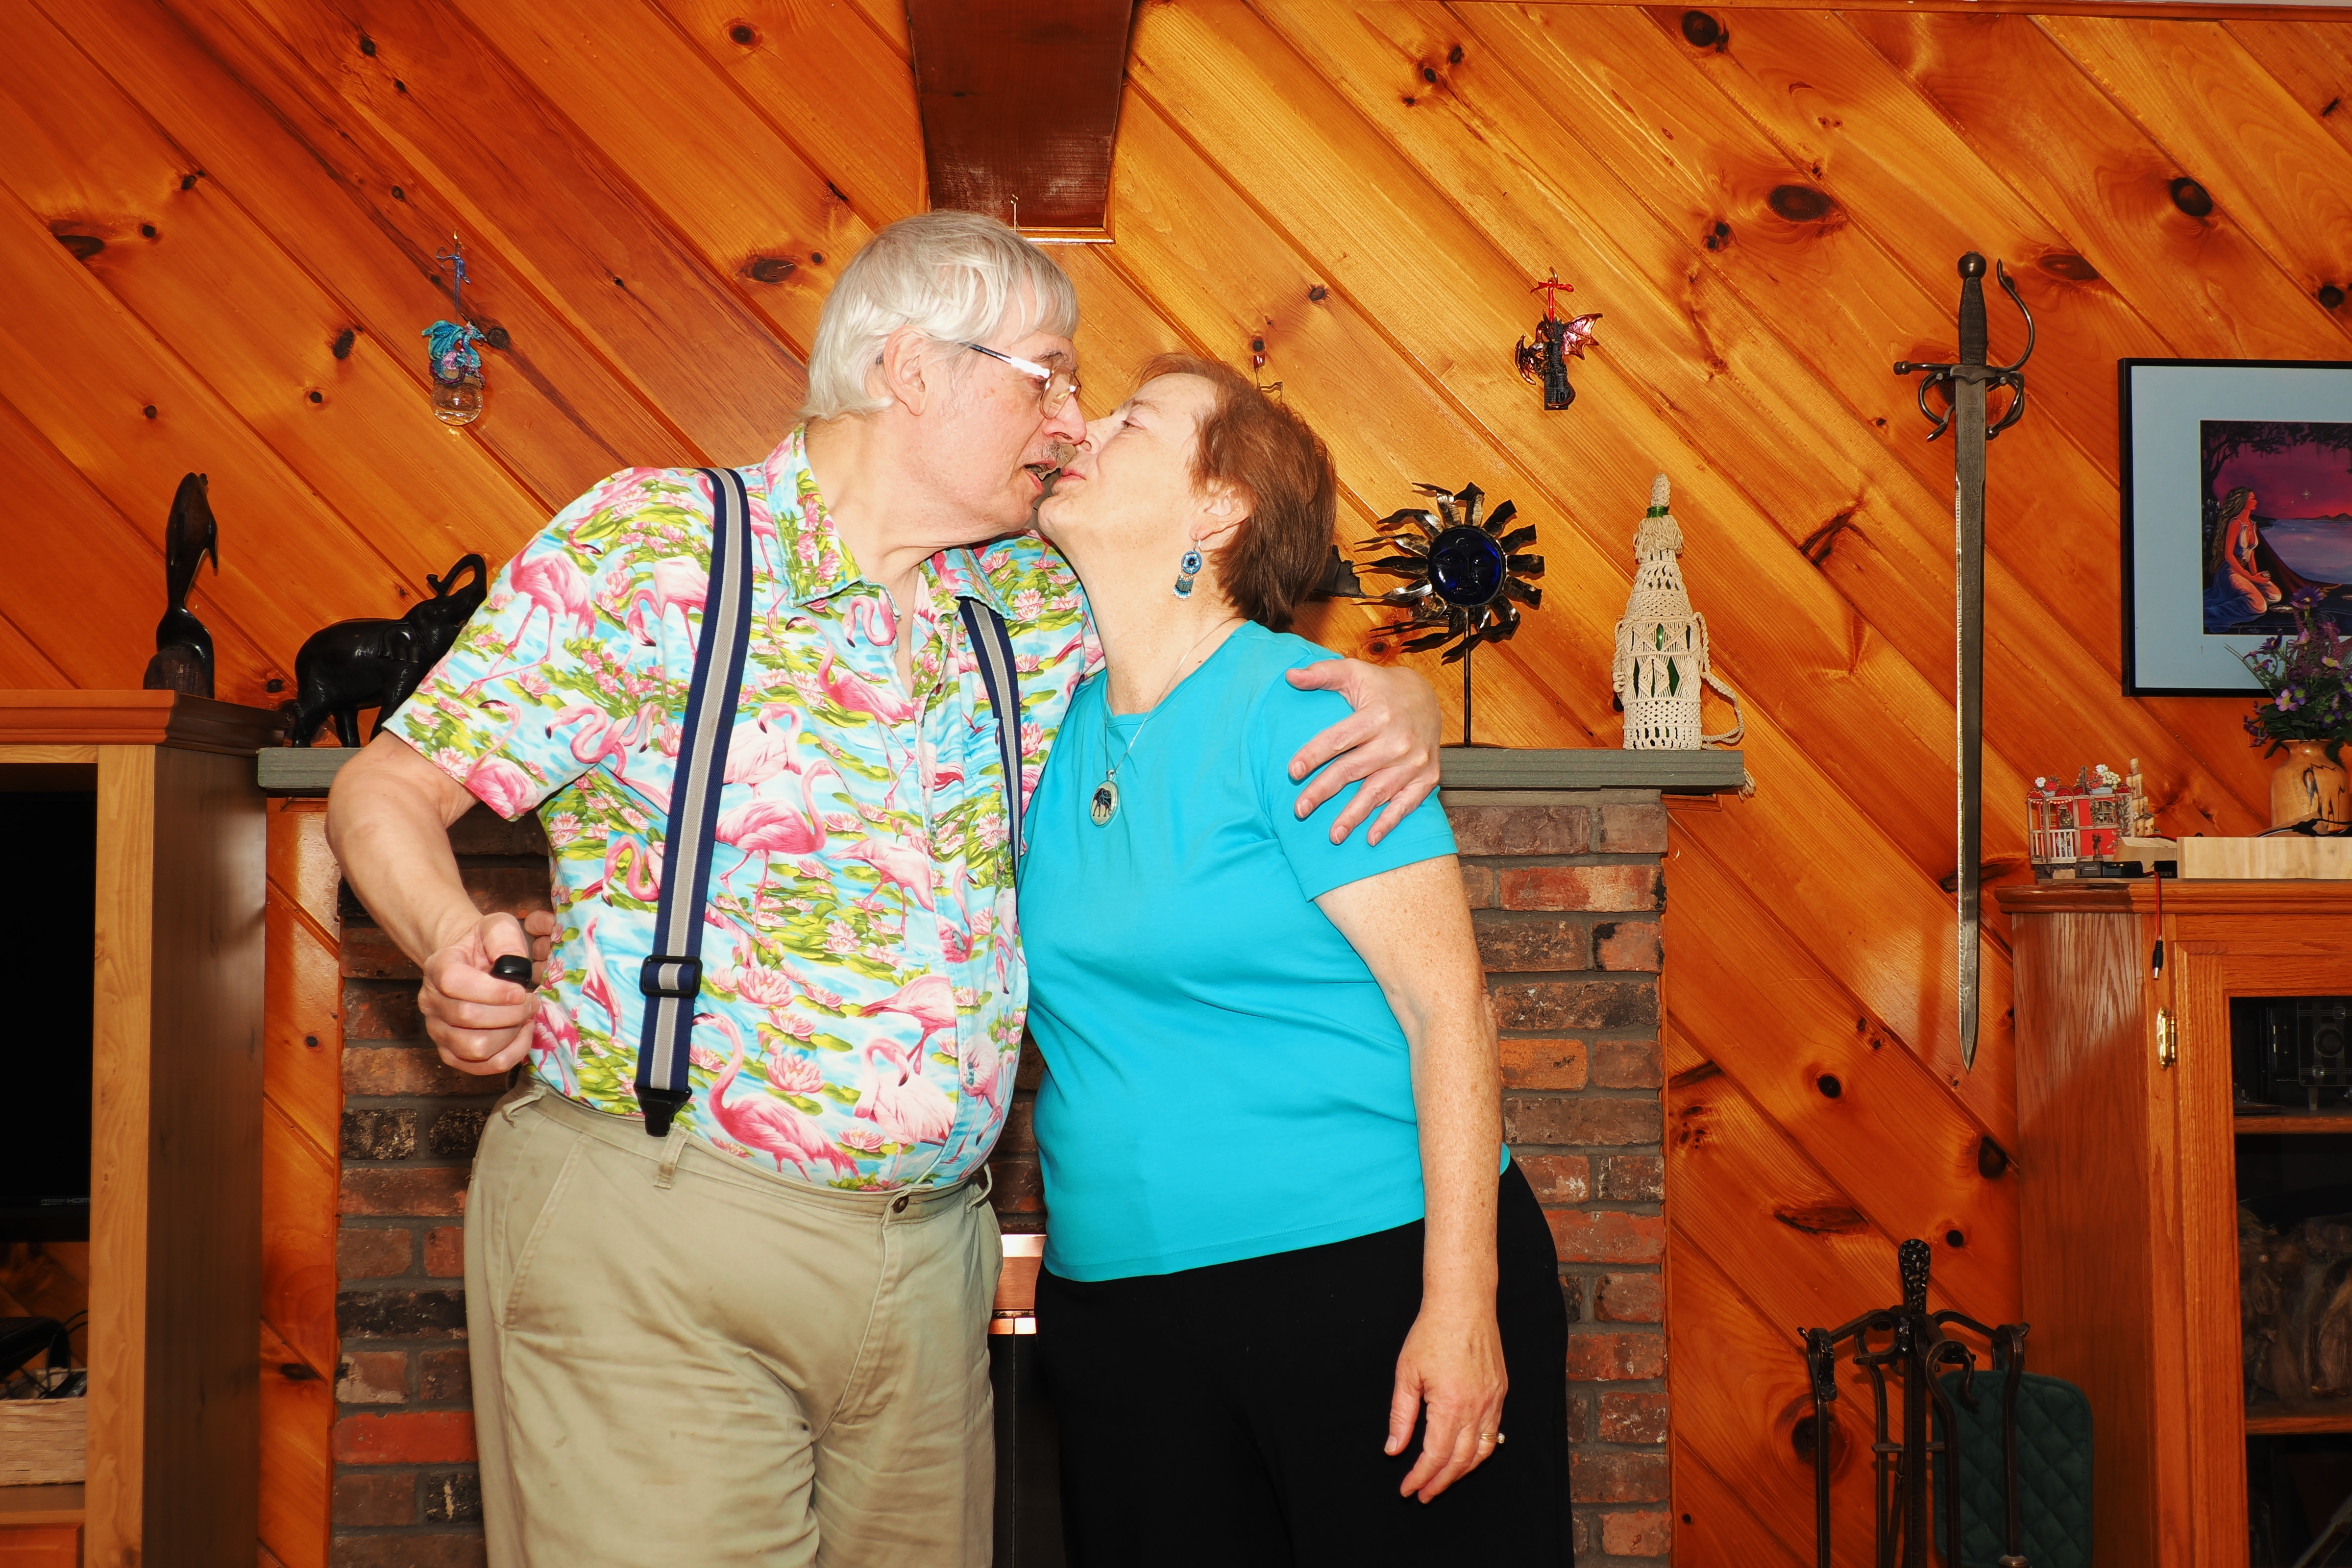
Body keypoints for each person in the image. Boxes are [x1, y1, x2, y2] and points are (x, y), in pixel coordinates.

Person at [324, 213, 1443, 1568]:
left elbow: (1215, 634)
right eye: (1047, 374)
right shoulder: (657, 548)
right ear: (912, 369)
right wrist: (450, 936)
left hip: (930, 1272)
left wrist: (1395, 698)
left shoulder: (1032, 602)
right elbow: (386, 790)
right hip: (662, 1234)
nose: (1070, 419)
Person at [1020, 355, 1570, 1566]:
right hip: (1117, 1317)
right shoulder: (1039, 722)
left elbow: (1447, 1008)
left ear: (1220, 506)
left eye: (1131, 420)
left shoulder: (1308, 710)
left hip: (1364, 1282)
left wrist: (1461, 1304)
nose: (1084, 427)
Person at [2205, 485, 2278, 627]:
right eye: (2252, 499)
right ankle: (2213, 611)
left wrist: (2256, 576)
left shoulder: (2252, 524)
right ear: (2243, 502)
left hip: (2244, 571)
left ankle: (2248, 597)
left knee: (2275, 595)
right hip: (2231, 571)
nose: (2256, 501)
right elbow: (2229, 556)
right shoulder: (2235, 523)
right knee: (2260, 607)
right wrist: (2251, 578)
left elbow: (2251, 554)